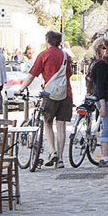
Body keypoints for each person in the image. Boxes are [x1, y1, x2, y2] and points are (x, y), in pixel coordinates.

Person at [27, 30, 72, 168]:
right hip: (65, 93)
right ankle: (60, 159)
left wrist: (22, 88)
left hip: (50, 94)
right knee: (61, 126)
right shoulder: (65, 55)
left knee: (47, 122)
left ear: (47, 40)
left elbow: (32, 74)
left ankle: (52, 152)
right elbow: (69, 74)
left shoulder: (44, 55)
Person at [85, 38, 108, 166]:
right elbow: (100, 85)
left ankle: (105, 157)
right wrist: (102, 104)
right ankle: (105, 158)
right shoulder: (101, 65)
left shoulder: (102, 63)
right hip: (107, 99)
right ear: (99, 49)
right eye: (105, 48)